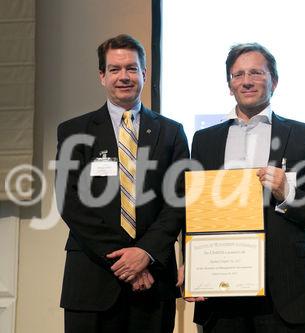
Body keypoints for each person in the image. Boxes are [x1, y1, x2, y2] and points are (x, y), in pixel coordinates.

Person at [188, 43, 305, 332]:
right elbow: (193, 212)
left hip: (285, 289)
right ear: (229, 85)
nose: (247, 81)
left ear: (274, 81)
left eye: (256, 72)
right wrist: (191, 269)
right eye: (238, 74)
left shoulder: (304, 135)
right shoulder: (204, 140)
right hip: (221, 285)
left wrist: (286, 193)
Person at [55, 34, 189, 333]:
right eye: (115, 69)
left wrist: (145, 254)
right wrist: (125, 261)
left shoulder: (172, 132)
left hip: (153, 281)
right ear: (102, 76)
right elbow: (70, 202)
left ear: (144, 73)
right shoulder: (74, 131)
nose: (124, 76)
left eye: (131, 68)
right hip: (92, 279)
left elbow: (178, 201)